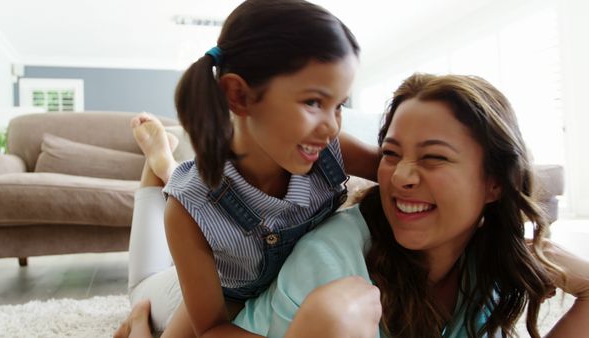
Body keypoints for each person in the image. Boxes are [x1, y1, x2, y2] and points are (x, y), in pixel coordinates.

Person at [120, 72, 589, 337]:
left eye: (434, 157)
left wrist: (525, 246)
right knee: (161, 252)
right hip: (199, 285)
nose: (401, 176)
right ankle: (161, 161)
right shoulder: (333, 269)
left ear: (494, 185)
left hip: (257, 247)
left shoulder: (489, 259)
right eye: (391, 153)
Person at [118, 0, 379, 337]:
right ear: (239, 96)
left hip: (251, 249)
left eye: (339, 105)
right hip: (228, 294)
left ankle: (166, 163)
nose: (331, 127)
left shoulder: (329, 147)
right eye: (313, 102)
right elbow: (212, 328)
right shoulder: (186, 210)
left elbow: (397, 170)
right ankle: (159, 164)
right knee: (145, 294)